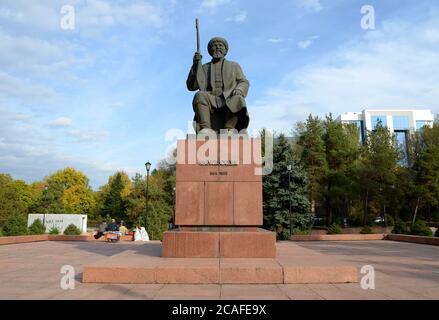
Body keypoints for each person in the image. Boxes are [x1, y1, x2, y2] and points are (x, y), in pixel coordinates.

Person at [186, 37, 250, 134]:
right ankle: (205, 129)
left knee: (238, 98)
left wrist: (239, 90)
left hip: (228, 98)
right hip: (211, 99)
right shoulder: (204, 68)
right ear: (210, 51)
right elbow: (191, 86)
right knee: (200, 95)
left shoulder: (234, 66)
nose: (217, 47)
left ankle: (229, 129)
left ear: (225, 51)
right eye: (214, 46)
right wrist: (195, 66)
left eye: (220, 45)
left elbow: (243, 81)